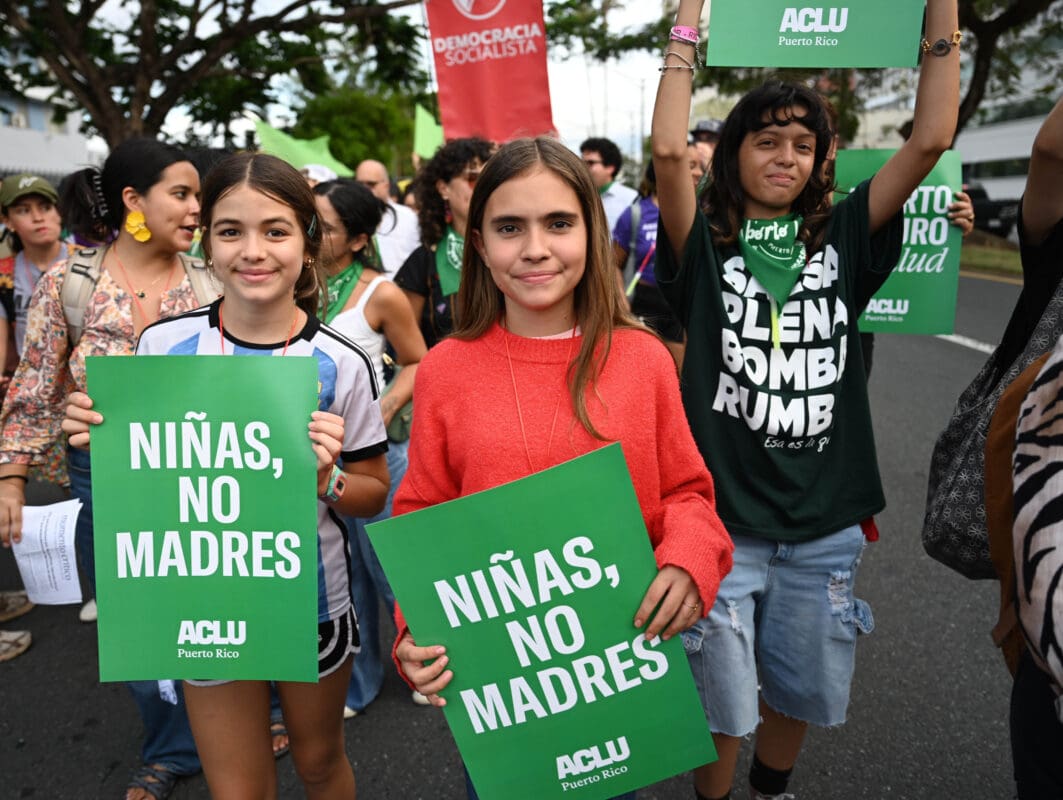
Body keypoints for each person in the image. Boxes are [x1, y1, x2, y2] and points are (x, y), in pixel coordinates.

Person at [651, 1, 959, 797]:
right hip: (722, 525)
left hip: (823, 526)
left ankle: (770, 791)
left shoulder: (845, 237)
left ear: (821, 160)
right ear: (732, 155)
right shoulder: (704, 252)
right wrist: (686, 22)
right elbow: (666, 151)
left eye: (802, 143)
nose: (784, 156)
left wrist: (941, 12)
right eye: (765, 140)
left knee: (796, 688)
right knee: (721, 700)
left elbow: (930, 138)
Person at [391, 135, 734, 800]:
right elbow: (420, 514)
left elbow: (687, 491)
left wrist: (689, 561)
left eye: (558, 223)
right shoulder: (444, 370)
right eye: (509, 227)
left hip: (617, 668)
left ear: (592, 232)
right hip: (504, 687)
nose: (535, 248)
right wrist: (414, 628)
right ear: (478, 243)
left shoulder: (642, 359)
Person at [63, 152, 390, 799]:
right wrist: (102, 436)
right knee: (238, 789)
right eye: (231, 231)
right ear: (207, 242)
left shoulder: (340, 361)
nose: (253, 251)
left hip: (310, 604)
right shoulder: (162, 347)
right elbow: (149, 478)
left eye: (275, 230)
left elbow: (372, 492)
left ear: (307, 243)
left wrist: (325, 480)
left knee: (319, 764)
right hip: (202, 599)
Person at [0, 138, 211, 800]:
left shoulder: (215, 277)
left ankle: (249, 717)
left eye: (200, 196)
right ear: (133, 201)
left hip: (206, 474)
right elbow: (34, 388)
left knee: (220, 600)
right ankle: (172, 749)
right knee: (135, 620)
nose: (197, 209)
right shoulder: (71, 284)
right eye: (182, 194)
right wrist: (11, 480)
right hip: (108, 480)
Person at [312, 177, 427, 717]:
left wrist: (382, 408)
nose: (312, 235)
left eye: (325, 227)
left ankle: (426, 664)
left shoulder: (381, 293)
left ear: (359, 239)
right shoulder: (292, 284)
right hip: (315, 461)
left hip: (376, 456)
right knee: (340, 571)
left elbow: (418, 360)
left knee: (393, 568)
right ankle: (357, 683)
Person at [394, 137, 494, 350]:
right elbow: (406, 348)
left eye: (492, 178)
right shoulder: (422, 263)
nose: (485, 187)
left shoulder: (518, 252)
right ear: (443, 188)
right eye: (473, 178)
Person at [612, 162, 686, 368]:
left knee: (679, 375)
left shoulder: (691, 212)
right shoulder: (635, 213)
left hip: (679, 303)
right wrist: (621, 299)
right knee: (641, 369)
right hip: (644, 301)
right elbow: (613, 263)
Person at [354, 159, 421, 277]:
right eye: (360, 185)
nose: (364, 189)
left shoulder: (408, 218)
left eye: (371, 184)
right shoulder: (349, 218)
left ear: (386, 185)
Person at [580, 136, 639, 230]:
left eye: (590, 163)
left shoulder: (632, 199)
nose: (583, 167)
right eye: (581, 162)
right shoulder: (576, 197)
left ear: (610, 167)